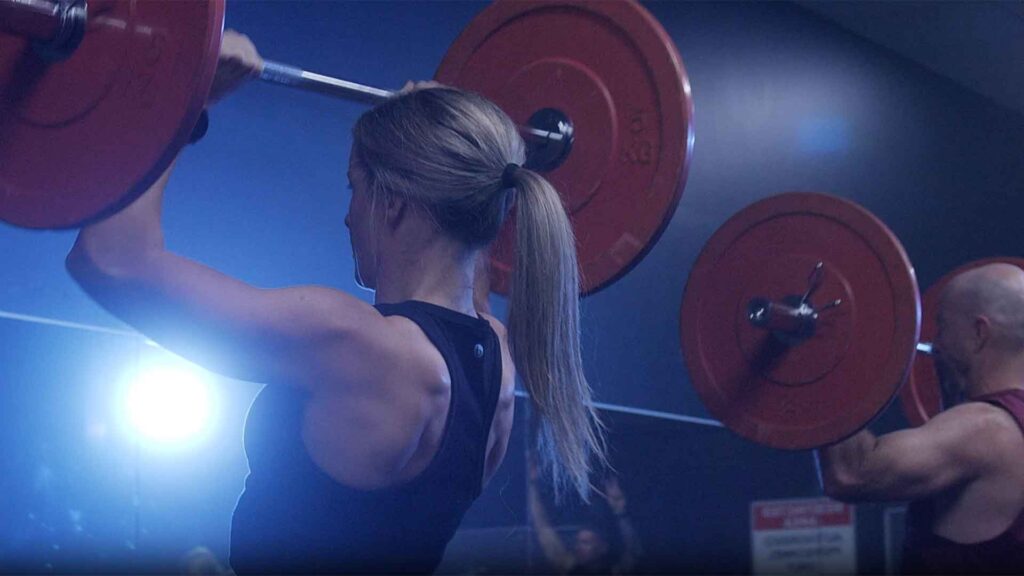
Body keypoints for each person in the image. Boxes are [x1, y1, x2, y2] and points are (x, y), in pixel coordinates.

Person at [65, 31, 606, 574]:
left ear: (391, 201)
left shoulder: (356, 344)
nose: (348, 216)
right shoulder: (496, 361)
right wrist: (432, 126)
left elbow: (112, 262)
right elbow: (468, 248)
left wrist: (185, 99)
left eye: (354, 187)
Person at [816, 263, 1024, 574]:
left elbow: (852, 473)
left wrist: (817, 353)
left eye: (942, 327)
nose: (935, 344)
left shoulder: (987, 429)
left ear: (979, 333)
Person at [527, 457, 643, 574]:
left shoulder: (613, 572)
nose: (578, 547)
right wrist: (532, 484)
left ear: (602, 547)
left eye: (586, 543)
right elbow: (544, 531)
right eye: (578, 542)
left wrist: (620, 511)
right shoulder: (570, 568)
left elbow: (633, 551)